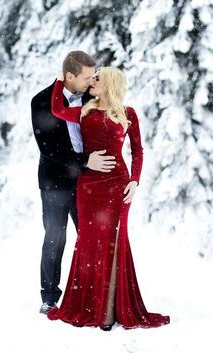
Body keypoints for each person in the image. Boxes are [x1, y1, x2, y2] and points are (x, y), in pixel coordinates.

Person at [47, 67, 170, 330]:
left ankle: (109, 311)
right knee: (90, 242)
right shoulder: (85, 112)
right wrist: (60, 78)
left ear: (109, 83)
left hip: (118, 186)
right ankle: (92, 305)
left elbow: (137, 151)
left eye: (97, 77)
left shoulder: (128, 114)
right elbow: (57, 109)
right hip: (89, 185)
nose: (93, 80)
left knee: (115, 241)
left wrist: (135, 181)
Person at [31, 51, 117, 314]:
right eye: (87, 77)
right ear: (69, 76)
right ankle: (49, 297)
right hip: (55, 182)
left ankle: (99, 295)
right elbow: (48, 148)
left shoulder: (93, 95)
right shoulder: (42, 101)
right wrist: (84, 161)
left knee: (93, 237)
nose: (92, 81)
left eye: (94, 76)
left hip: (89, 182)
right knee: (55, 238)